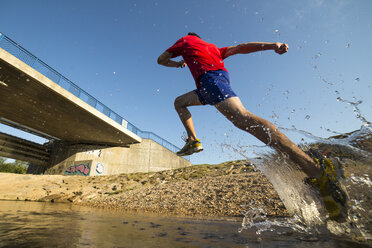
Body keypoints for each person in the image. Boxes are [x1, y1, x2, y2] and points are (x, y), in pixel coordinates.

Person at [158, 33, 347, 219]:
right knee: (180, 102)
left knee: (242, 118)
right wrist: (273, 45)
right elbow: (241, 48)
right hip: (210, 83)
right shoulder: (213, 47)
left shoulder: (185, 41)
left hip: (211, 80)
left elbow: (161, 60)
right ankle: (193, 140)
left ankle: (316, 170)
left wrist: (177, 64)